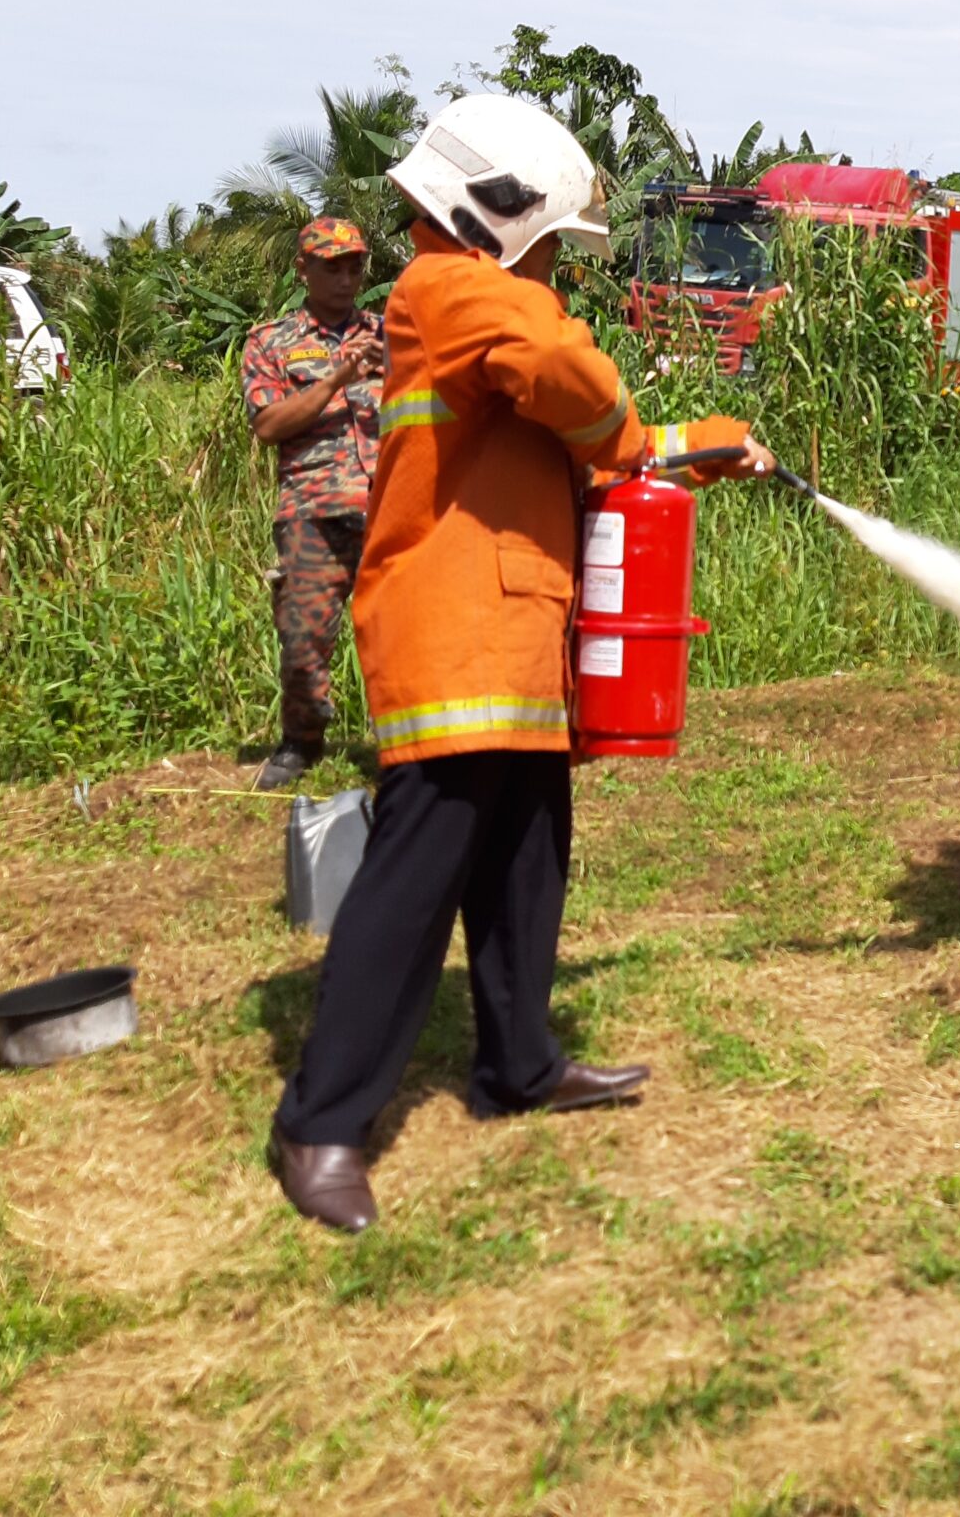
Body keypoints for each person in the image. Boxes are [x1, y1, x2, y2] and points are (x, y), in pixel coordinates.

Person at [271, 94, 775, 1233]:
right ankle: (321, 1121)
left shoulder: (484, 321)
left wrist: (697, 448)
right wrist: (628, 420)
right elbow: (572, 379)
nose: (556, 266)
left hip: (514, 635)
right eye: (551, 242)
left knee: (524, 864)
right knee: (413, 885)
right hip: (454, 633)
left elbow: (592, 450)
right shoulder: (449, 288)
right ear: (494, 217)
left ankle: (519, 1065)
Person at [243, 217, 385, 791]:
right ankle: (300, 743)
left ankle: (402, 749)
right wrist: (335, 379)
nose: (346, 279)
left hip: (388, 510)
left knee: (396, 639)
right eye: (332, 268)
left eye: (354, 267)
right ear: (303, 270)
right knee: (302, 640)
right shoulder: (271, 341)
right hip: (312, 512)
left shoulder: (390, 333)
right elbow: (269, 425)